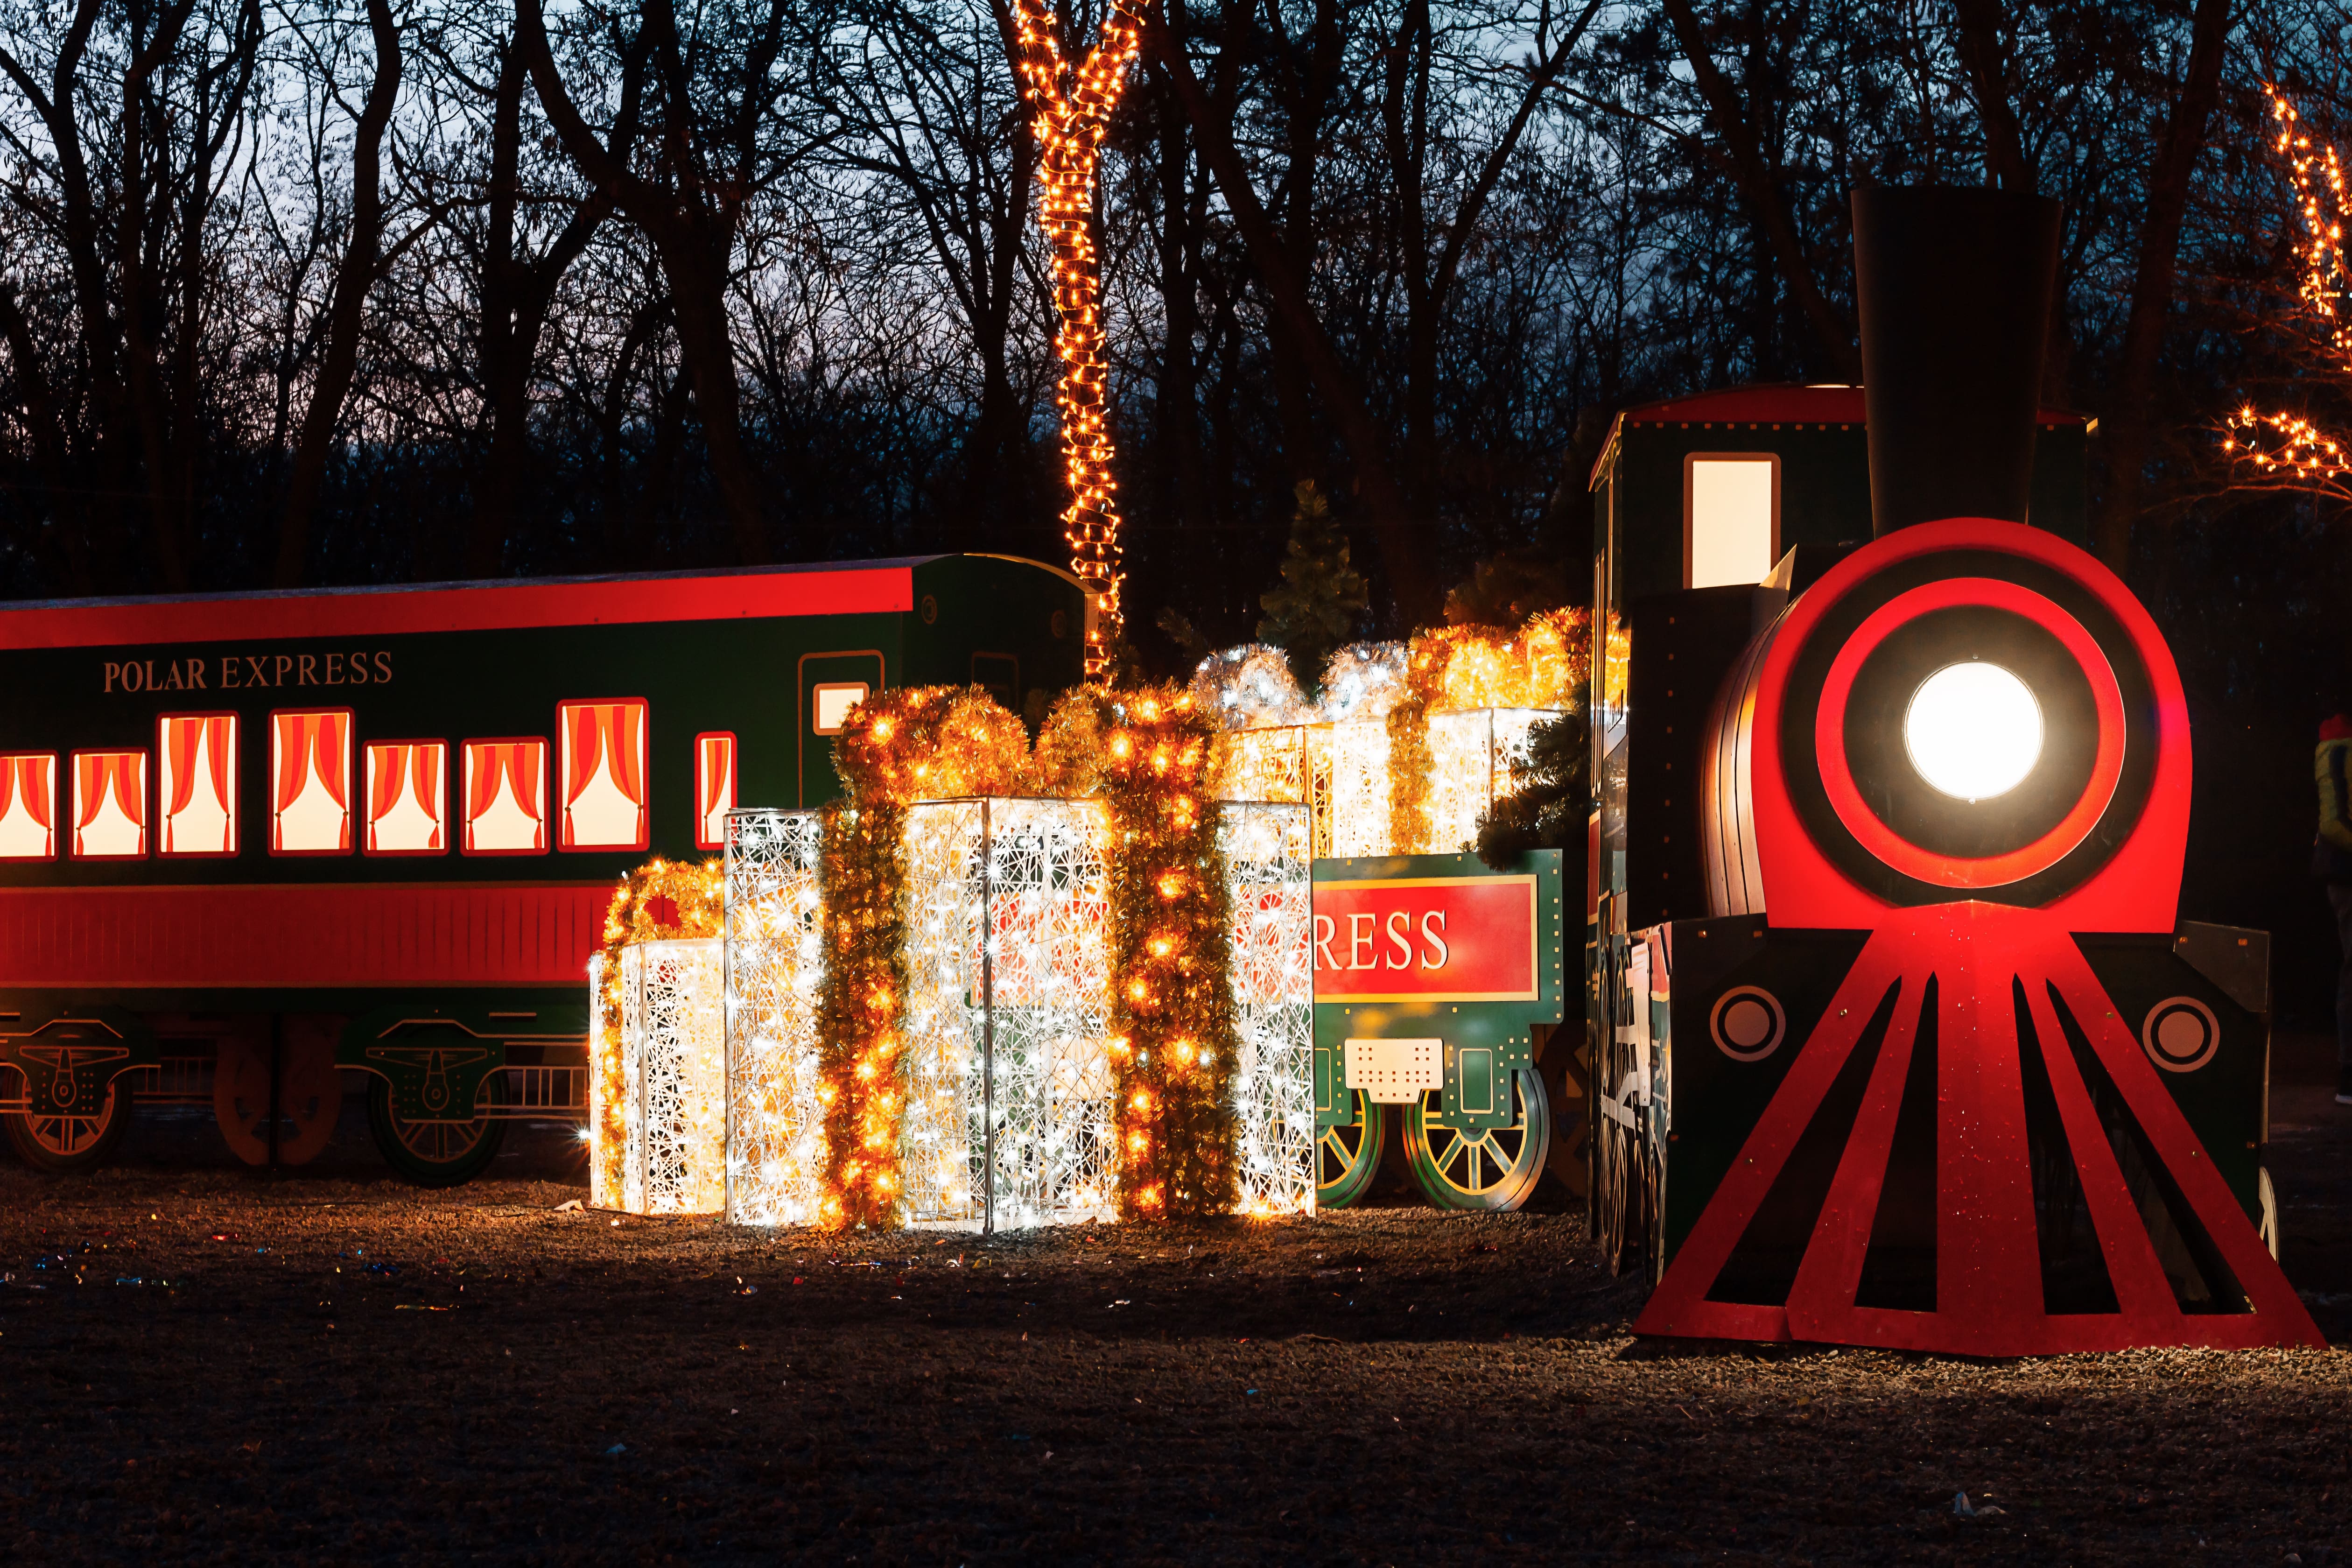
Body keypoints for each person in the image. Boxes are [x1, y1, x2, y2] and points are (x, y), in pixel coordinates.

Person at [2314, 711, 2352, 1104]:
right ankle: (2348, 1076)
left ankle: (2348, 1074)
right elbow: (2333, 823)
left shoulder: (2336, 747)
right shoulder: (2340, 749)